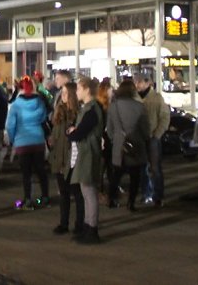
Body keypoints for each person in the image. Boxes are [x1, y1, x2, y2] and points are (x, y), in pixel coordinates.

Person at [67, 77, 105, 244]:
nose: (77, 92)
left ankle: (92, 229)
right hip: (87, 152)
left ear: (87, 90)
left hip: (89, 152)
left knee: (89, 193)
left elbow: (79, 133)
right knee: (87, 192)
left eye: (79, 89)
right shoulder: (91, 108)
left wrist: (72, 132)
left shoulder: (91, 110)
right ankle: (89, 227)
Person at [6, 76, 50, 210]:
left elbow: (10, 125)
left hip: (22, 141)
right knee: (41, 170)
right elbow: (43, 118)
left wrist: (13, 139)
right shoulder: (40, 102)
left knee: (26, 173)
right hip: (38, 139)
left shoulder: (16, 105)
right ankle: (45, 197)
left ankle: (28, 199)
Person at [106, 79, 150, 211]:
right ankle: (131, 202)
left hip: (119, 146)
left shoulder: (114, 106)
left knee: (116, 175)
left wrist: (116, 139)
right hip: (136, 146)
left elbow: (109, 128)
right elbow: (145, 129)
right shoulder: (140, 106)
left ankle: (112, 199)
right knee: (135, 176)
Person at [134, 73, 170, 207]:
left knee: (155, 168)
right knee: (142, 168)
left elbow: (165, 118)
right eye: (135, 82)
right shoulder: (135, 98)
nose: (137, 84)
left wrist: (157, 135)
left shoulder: (156, 98)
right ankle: (146, 193)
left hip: (152, 138)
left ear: (148, 83)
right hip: (140, 138)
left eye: (139, 82)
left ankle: (158, 195)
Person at [48, 82, 79, 234]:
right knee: (64, 193)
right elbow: (55, 134)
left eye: (66, 93)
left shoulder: (77, 114)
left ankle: (80, 223)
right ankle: (64, 223)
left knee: (76, 192)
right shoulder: (59, 111)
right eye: (63, 93)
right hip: (59, 158)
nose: (63, 96)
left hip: (71, 159)